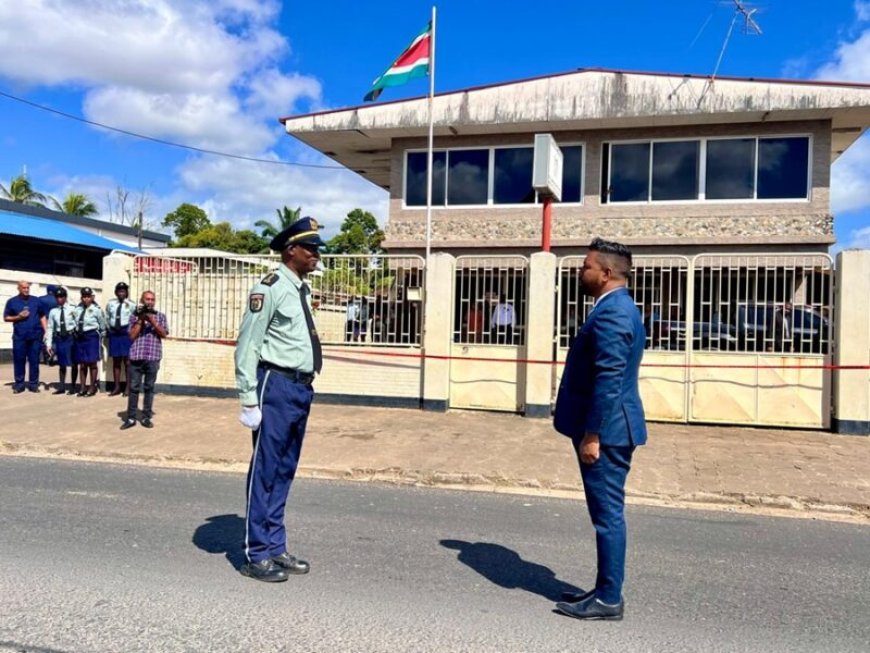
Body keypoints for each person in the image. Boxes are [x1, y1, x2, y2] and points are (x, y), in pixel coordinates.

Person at [553, 238, 647, 621]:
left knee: (607, 516)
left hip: (607, 432)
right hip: (610, 428)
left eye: (587, 265)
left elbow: (609, 377)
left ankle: (609, 599)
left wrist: (592, 434)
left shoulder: (613, 314)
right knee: (606, 514)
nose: (581, 271)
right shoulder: (616, 307)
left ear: (606, 273)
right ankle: (604, 588)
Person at [234, 216, 324, 583]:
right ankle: (256, 553)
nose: (317, 255)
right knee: (266, 469)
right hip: (275, 385)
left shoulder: (299, 288)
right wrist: (248, 399)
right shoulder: (269, 287)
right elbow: (248, 345)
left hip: (300, 387)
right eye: (311, 248)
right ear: (292, 251)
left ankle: (275, 546)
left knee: (285, 469)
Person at [120, 290, 168, 429]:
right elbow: (131, 336)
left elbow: (164, 334)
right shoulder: (134, 316)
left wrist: (152, 321)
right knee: (134, 388)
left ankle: (146, 417)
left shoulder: (161, 316)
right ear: (142, 300)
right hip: (136, 356)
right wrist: (141, 320)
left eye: (152, 299)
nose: (150, 302)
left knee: (149, 388)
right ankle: (130, 418)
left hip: (153, 357)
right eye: (147, 299)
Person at [3, 280, 47, 393]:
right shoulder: (12, 302)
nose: (26, 290)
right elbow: (6, 317)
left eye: (27, 288)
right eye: (23, 288)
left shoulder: (36, 301)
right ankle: (19, 385)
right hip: (20, 337)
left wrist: (46, 331)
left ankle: (33, 384)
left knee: (34, 361)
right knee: (19, 360)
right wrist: (18, 317)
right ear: (18, 288)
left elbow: (42, 316)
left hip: (35, 336)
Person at [72, 287, 107, 397]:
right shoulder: (77, 310)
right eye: (84, 297)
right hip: (80, 337)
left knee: (92, 362)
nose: (86, 299)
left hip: (91, 336)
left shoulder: (96, 310)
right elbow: (74, 322)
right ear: (81, 297)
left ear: (91, 297)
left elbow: (102, 324)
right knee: (82, 363)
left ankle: (92, 387)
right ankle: (82, 387)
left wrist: (102, 336)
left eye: (88, 297)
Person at [45, 287, 78, 394]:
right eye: (58, 297)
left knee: (73, 362)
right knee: (62, 362)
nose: (60, 299)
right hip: (60, 338)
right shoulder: (53, 312)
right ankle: (62, 386)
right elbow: (50, 328)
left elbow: (78, 322)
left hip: (71, 337)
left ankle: (73, 386)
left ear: (65, 297)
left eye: (62, 297)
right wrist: (48, 344)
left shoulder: (73, 309)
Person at [105, 281, 136, 396]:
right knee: (116, 361)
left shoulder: (132, 305)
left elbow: (135, 319)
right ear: (116, 292)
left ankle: (128, 387)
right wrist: (109, 329)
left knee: (128, 362)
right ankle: (117, 387)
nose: (121, 293)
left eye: (124, 291)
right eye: (119, 291)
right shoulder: (111, 304)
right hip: (114, 333)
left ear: (127, 293)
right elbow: (107, 317)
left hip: (125, 333)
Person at [38, 284, 58, 367]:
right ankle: (52, 355)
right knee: (54, 340)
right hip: (54, 323)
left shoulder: (40, 299)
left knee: (43, 339)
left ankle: (45, 358)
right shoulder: (57, 300)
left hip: (42, 322)